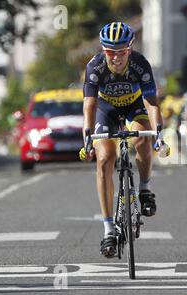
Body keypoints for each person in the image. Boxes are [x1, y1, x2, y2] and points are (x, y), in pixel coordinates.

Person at [79, 22, 169, 258]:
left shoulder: (141, 65)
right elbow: (89, 106)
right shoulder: (94, 67)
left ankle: (145, 189)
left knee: (142, 140)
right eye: (110, 52)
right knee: (105, 159)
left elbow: (152, 103)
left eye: (121, 52)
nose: (116, 58)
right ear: (103, 50)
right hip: (105, 110)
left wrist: (158, 134)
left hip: (134, 106)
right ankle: (109, 229)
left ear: (130, 49)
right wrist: (87, 138)